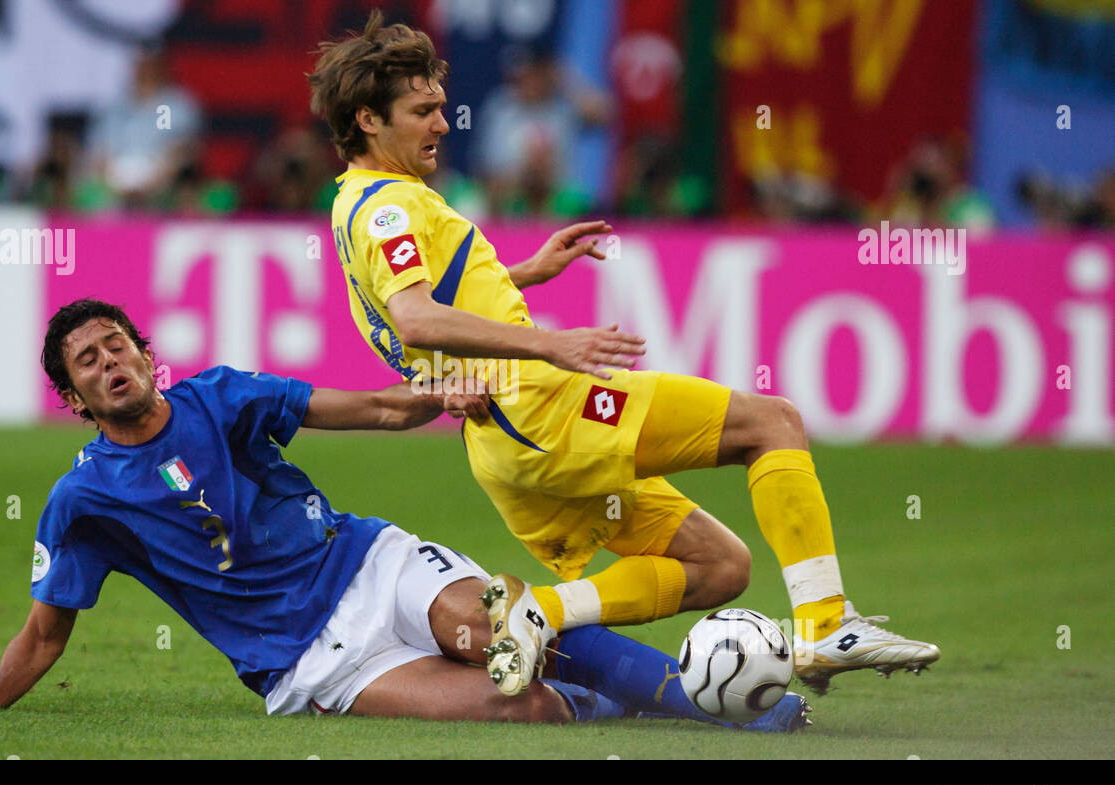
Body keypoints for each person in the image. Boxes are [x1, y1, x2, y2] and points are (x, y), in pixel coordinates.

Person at [308, 12, 940, 697]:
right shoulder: (390, 209)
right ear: (369, 120)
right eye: (423, 110)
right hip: (546, 410)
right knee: (773, 422)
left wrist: (515, 273)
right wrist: (550, 342)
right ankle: (824, 625)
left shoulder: (358, 203)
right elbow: (414, 316)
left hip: (508, 444)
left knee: (719, 566)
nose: (441, 123)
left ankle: (539, 610)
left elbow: (398, 312)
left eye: (439, 106)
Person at [0, 299, 810, 732]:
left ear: (143, 352)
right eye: (87, 360)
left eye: (116, 343)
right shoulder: (83, 500)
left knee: (495, 631)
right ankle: (626, 698)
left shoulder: (223, 398)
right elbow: (46, 632)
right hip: (306, 663)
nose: (109, 361)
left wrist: (432, 395)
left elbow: (369, 409)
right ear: (74, 396)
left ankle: (708, 701)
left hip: (370, 565)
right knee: (523, 708)